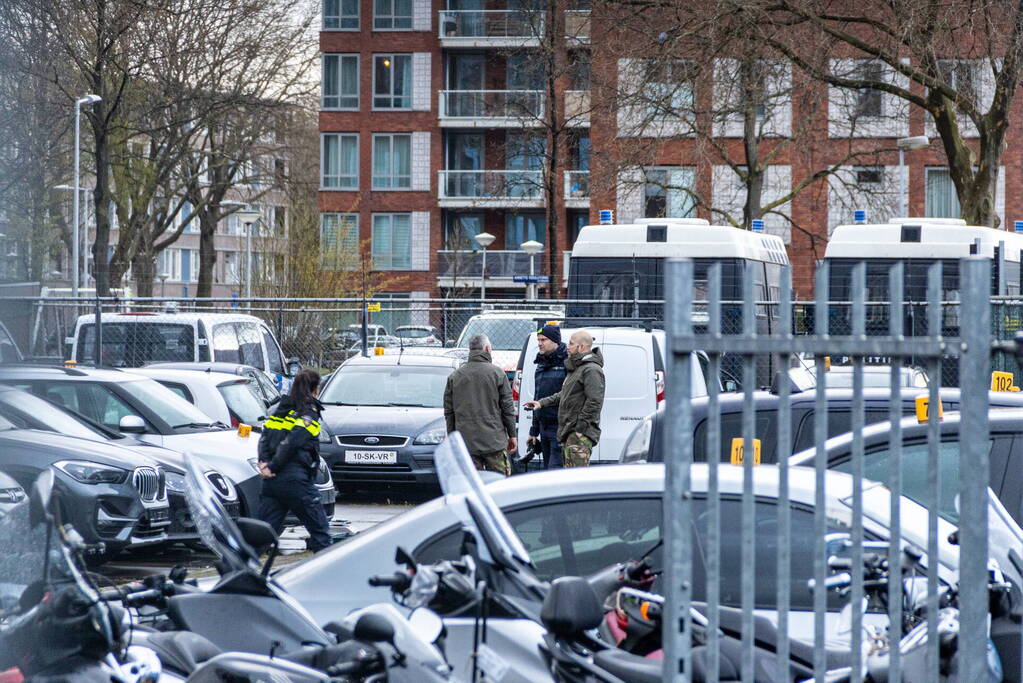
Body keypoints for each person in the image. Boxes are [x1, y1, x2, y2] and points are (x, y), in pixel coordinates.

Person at [256, 368, 332, 552]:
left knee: (261, 535)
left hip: (272, 483)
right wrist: (273, 466)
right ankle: (328, 568)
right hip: (295, 481)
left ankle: (239, 565)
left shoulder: (281, 408)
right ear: (315, 389)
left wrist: (264, 463)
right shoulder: (309, 411)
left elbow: (264, 437)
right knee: (320, 532)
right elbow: (293, 441)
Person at [523, 330, 605, 467]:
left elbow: (594, 402)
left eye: (571, 344)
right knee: (566, 475)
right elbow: (564, 394)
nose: (568, 347)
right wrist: (541, 403)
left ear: (581, 347)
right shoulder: (577, 367)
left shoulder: (591, 369)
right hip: (569, 432)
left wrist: (579, 428)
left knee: (576, 476)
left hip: (578, 434)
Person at [443, 333, 517, 475]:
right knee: (499, 482)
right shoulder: (498, 374)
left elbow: (449, 412)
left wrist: (452, 438)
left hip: (466, 442)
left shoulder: (455, 376)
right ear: (487, 348)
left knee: (471, 483)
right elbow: (507, 408)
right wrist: (512, 435)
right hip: (494, 442)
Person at [527, 324, 568, 469]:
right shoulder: (541, 363)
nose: (539, 343)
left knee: (555, 471)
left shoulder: (567, 362)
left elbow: (569, 395)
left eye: (543, 340)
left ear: (555, 341)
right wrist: (534, 431)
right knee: (547, 471)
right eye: (538, 340)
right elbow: (537, 398)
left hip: (560, 428)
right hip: (544, 428)